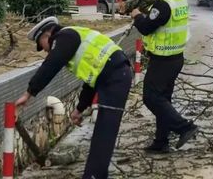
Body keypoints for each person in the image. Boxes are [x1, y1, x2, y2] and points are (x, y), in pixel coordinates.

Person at [15, 17, 132, 179]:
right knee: (103, 132)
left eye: (41, 44)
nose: (45, 51)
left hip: (116, 78)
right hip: (114, 76)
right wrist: (79, 108)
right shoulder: (72, 38)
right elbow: (90, 80)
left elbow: (51, 64)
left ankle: (93, 176)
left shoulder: (65, 37)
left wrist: (29, 93)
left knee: (104, 133)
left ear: (47, 34)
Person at [131, 0, 198, 153]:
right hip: (175, 58)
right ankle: (161, 142)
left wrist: (137, 16)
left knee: (151, 98)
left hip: (162, 60)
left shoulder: (164, 3)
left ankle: (185, 127)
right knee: (163, 101)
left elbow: (146, 27)